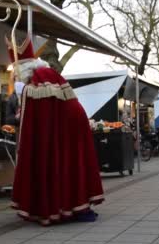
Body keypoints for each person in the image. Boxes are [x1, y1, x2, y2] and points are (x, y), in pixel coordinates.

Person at [8, 37, 103, 226]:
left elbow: (43, 115)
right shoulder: (45, 73)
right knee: (71, 165)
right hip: (70, 126)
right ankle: (75, 206)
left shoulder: (38, 79)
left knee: (58, 164)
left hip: (63, 130)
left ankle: (58, 208)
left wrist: (24, 93)